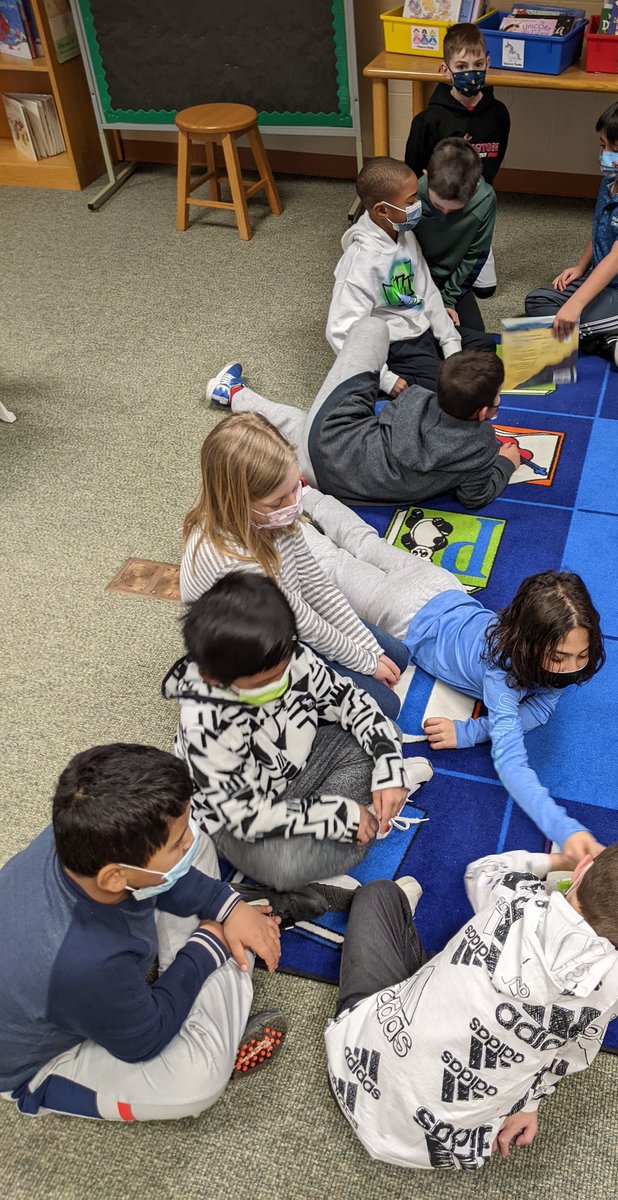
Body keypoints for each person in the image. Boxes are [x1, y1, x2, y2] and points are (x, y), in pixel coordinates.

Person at [325, 837, 618, 1169]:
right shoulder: (612, 987)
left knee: (378, 894)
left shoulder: (515, 893)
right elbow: (565, 1058)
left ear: (583, 869)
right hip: (435, 1143)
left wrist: (558, 862)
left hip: (353, 1063)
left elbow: (481, 871)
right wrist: (530, 1105)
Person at [290, 490, 607, 865]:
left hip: (441, 585)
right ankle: (272, 526)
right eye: (559, 658)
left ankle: (304, 494)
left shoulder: (532, 647)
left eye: (582, 655)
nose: (572, 668)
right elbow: (513, 763)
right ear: (530, 647)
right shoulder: (501, 677)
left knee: (365, 542)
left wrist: (472, 729)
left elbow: (542, 707)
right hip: (402, 612)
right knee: (331, 565)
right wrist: (564, 828)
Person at [0, 743, 286, 1121]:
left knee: (196, 853)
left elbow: (171, 866)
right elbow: (145, 1039)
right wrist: (208, 946)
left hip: (76, 981)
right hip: (40, 1061)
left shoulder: (80, 836)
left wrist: (226, 904)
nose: (188, 840)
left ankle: (222, 947)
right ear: (115, 876)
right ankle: (226, 958)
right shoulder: (86, 963)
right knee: (197, 1081)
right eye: (175, 843)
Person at [164, 574, 432, 893]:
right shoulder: (205, 728)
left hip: (299, 771)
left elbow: (351, 702)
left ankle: (370, 809)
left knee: (385, 735)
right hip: (246, 824)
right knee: (281, 868)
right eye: (264, 683)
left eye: (284, 670)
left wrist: (388, 768)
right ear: (213, 679)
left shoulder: (287, 654)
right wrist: (335, 815)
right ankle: (344, 840)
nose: (281, 684)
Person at [180, 413, 409, 719]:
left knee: (397, 656)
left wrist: (369, 648)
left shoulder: (275, 520)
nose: (292, 504)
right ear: (238, 502)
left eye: (295, 488)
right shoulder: (234, 562)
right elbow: (301, 623)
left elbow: (316, 585)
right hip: (260, 653)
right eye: (277, 502)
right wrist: (365, 662)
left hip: (291, 622)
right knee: (386, 705)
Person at [205, 318, 519, 510]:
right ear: (481, 413)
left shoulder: (415, 396)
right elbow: (475, 496)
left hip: (328, 439)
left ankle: (233, 393)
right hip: (332, 484)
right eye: (497, 398)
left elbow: (382, 417)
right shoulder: (481, 448)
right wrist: (505, 463)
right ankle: (233, 393)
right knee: (304, 424)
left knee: (371, 328)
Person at [524, 95, 618, 372]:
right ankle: (607, 341)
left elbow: (617, 257)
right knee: (537, 302)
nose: (605, 156)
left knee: (558, 321)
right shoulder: (612, 180)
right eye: (603, 146)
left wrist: (575, 305)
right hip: (602, 280)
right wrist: (581, 266)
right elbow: (601, 227)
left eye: (616, 149)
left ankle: (594, 333)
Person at [327, 156, 496, 397]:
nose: (419, 205)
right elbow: (340, 332)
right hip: (396, 345)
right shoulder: (360, 263)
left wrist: (451, 346)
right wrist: (385, 378)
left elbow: (428, 292)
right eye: (412, 200)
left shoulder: (404, 234)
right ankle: (375, 382)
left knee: (484, 345)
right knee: (452, 390)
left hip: (420, 328)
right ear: (382, 210)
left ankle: (430, 369)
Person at [405, 22, 510, 302]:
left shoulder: (499, 114)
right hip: (435, 207)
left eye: (477, 64)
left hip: (473, 206)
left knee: (484, 291)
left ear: (488, 63)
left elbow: (495, 163)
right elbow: (413, 171)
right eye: (461, 66)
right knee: (418, 279)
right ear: (445, 70)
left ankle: (471, 243)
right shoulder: (428, 120)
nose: (470, 72)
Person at [414, 137, 496, 333]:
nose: (445, 215)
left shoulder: (485, 199)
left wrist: (447, 299)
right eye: (438, 206)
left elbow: (474, 255)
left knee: (474, 336)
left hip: (449, 278)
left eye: (455, 210)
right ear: (427, 176)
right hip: (412, 276)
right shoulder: (412, 191)